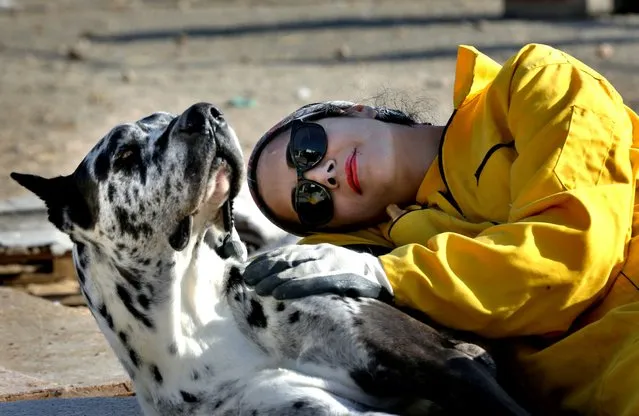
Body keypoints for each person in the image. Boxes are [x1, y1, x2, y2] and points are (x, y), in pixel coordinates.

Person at [243, 43, 639, 415]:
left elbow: (571, 255)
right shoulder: (384, 282)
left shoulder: (535, 82)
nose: (322, 176)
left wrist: (391, 275)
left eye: (307, 149)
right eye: (310, 201)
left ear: (356, 111)